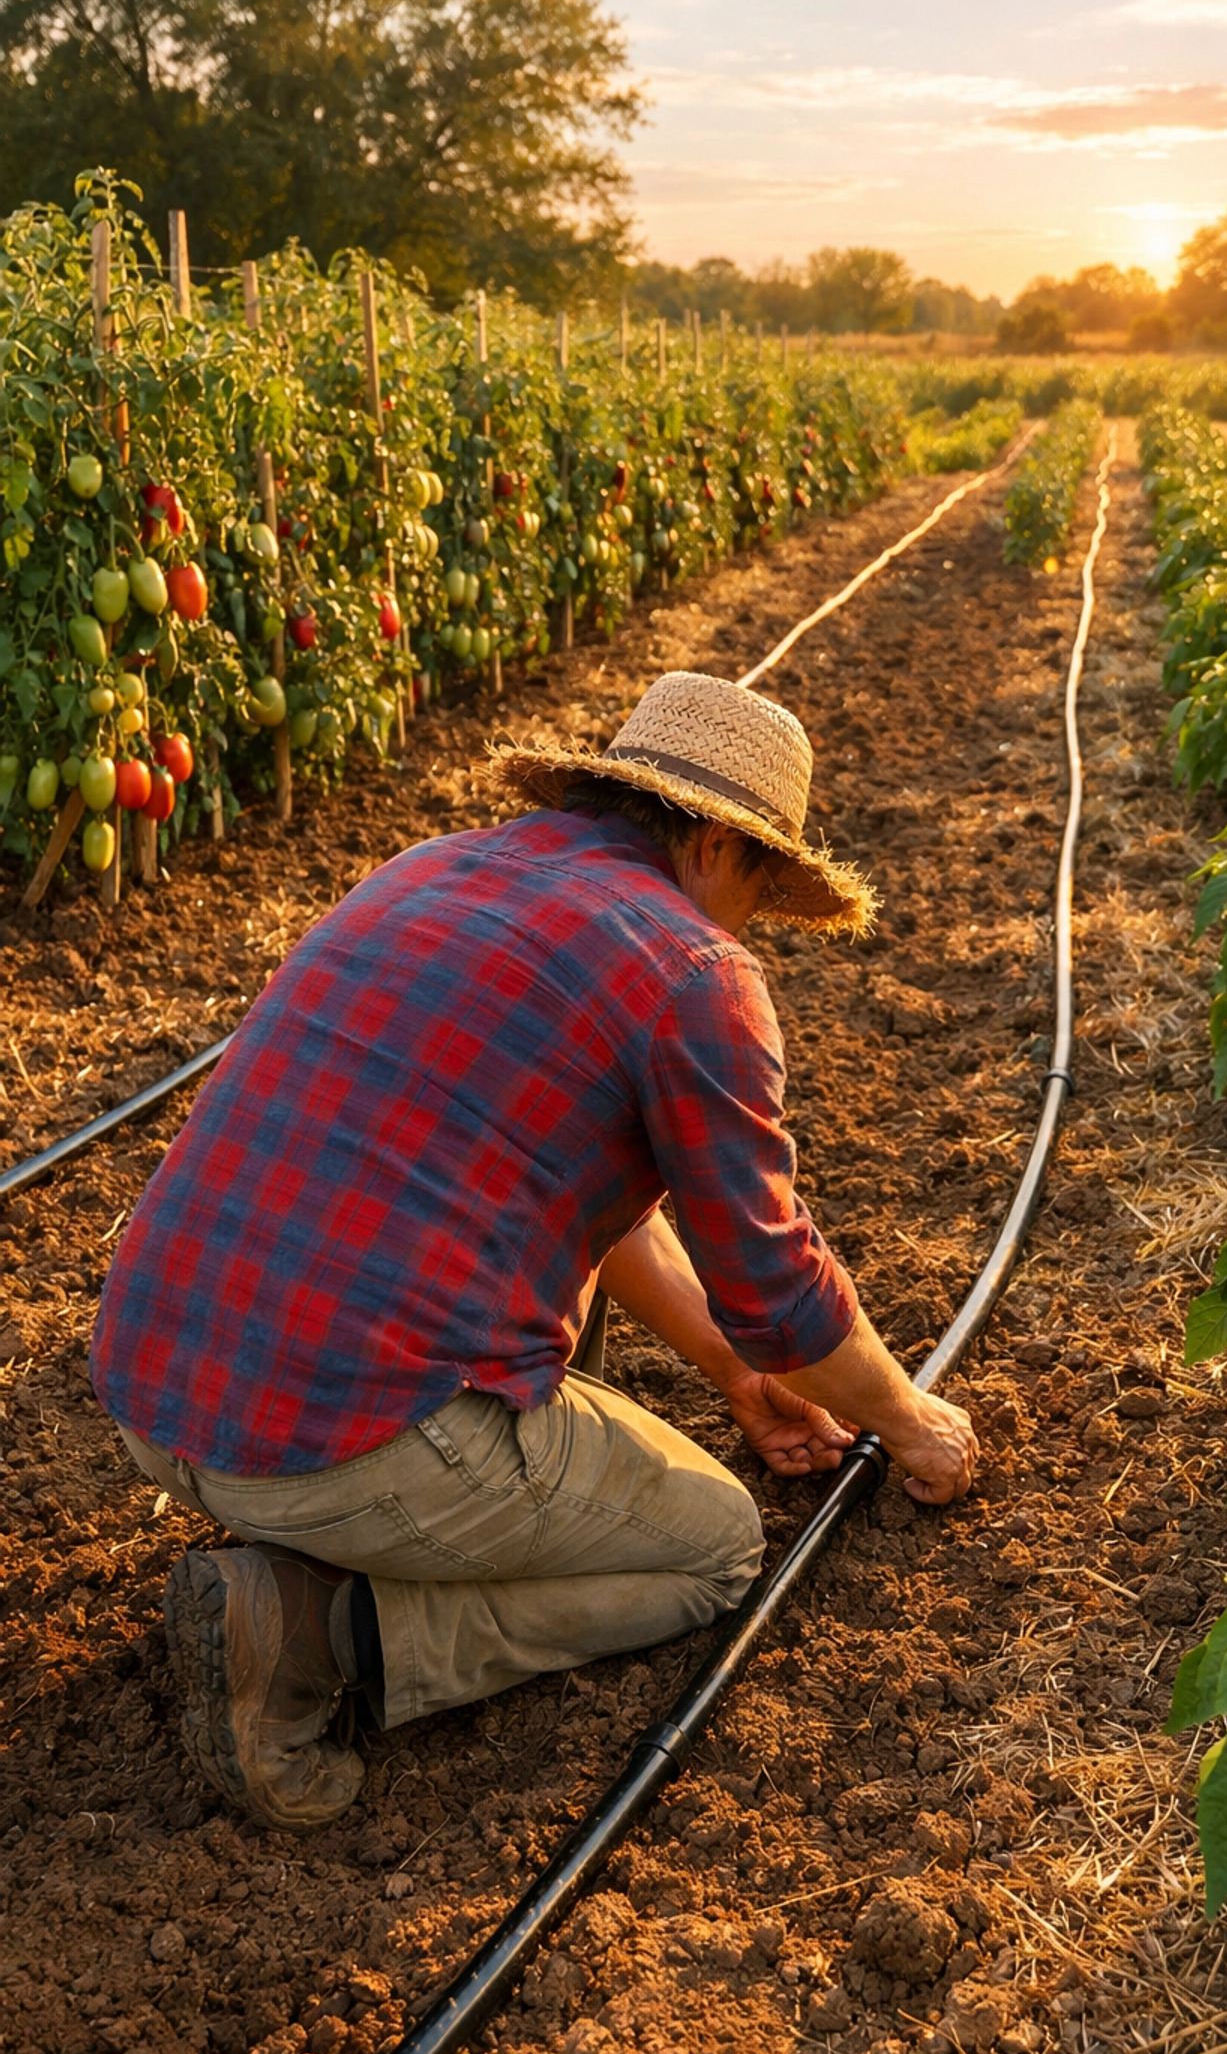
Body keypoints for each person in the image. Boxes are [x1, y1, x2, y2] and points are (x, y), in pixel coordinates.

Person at [91, 672, 977, 1832]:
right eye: (762, 892)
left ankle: (348, 1534)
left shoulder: (434, 869)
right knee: (712, 1545)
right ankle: (318, 1637)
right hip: (333, 1441)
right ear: (717, 846)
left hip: (156, 1386)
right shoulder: (694, 972)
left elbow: (604, 1210)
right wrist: (910, 1419)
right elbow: (774, 1288)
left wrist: (733, 1379)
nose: (750, 925)